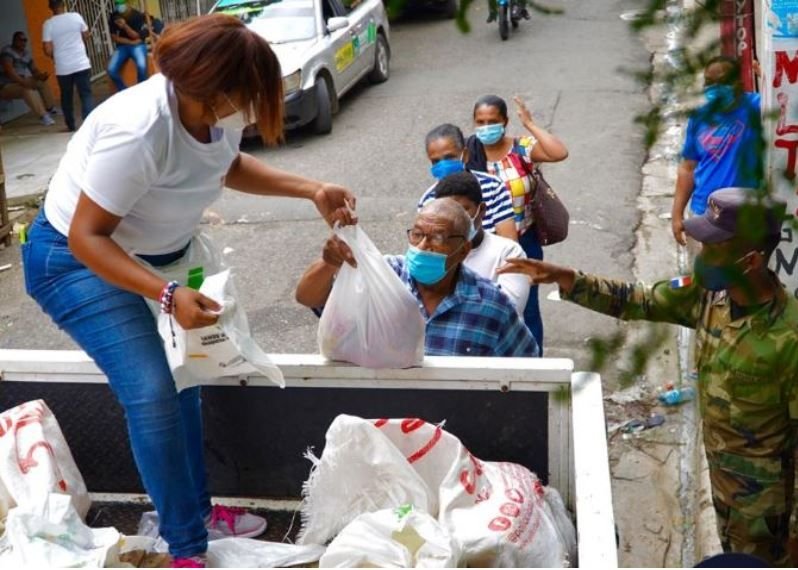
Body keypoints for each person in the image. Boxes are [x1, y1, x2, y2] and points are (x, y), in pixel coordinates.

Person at [22, 14, 355, 568]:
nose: (252, 108)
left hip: (153, 258)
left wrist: (312, 189)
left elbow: (224, 165)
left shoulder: (213, 114)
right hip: (75, 260)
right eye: (247, 94)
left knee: (185, 376)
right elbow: (87, 236)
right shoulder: (138, 130)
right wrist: (166, 293)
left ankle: (194, 512)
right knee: (152, 390)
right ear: (213, 90)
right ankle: (185, 548)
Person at [498, 188, 797, 567]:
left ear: (750, 260)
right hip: (721, 477)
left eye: (713, 248)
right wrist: (568, 278)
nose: (701, 255)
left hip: (764, 504)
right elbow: (641, 299)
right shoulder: (710, 296)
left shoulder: (789, 337)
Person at [296, 198, 540, 357]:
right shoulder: (382, 277)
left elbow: (525, 370)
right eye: (417, 234)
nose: (422, 246)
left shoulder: (491, 305)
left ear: (463, 251)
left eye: (437, 238)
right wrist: (329, 263)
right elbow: (308, 298)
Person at [465, 94, 569, 353]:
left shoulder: (520, 148)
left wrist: (530, 124)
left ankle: (532, 362)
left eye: (492, 121)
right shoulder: (468, 153)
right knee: (481, 305)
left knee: (527, 307)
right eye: (480, 122)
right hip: (481, 245)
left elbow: (559, 152)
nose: (486, 127)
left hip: (523, 242)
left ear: (505, 121)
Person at [671, 56, 762, 247]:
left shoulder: (756, 106)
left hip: (743, 212)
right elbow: (688, 168)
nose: (714, 88)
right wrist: (677, 215)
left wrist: (766, 77)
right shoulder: (699, 116)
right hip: (704, 212)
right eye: (709, 82)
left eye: (722, 82)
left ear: (738, 83)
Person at [432, 171, 529, 314]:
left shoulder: (508, 253)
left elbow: (508, 309)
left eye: (463, 210)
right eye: (446, 211)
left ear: (482, 210)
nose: (455, 219)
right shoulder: (431, 253)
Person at [418, 123, 518, 242]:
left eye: (449, 157)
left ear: (465, 155)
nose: (443, 165)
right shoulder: (428, 202)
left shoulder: (493, 187)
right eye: (436, 161)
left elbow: (508, 241)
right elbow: (430, 246)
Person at [43, 0, 94, 132]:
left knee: (66, 96)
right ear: (64, 5)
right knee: (86, 94)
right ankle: (89, 124)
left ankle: (71, 125)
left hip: (63, 67)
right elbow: (86, 35)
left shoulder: (48, 24)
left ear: (50, 8)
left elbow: (47, 49)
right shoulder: (76, 17)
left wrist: (55, 56)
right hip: (81, 63)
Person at [0, 31, 58, 126]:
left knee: (41, 82)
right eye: (21, 40)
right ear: (14, 41)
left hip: (20, 81)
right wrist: (23, 82)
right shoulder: (7, 51)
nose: (24, 42)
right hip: (6, 85)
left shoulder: (26, 53)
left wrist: (41, 75)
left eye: (25, 40)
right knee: (26, 90)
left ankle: (51, 109)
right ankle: (43, 116)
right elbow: (9, 72)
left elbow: (34, 70)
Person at [107, 0, 149, 91]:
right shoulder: (114, 16)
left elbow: (136, 36)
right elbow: (114, 38)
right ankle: (124, 90)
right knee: (111, 70)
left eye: (121, 3)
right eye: (117, 4)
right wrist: (131, 42)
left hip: (138, 45)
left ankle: (142, 90)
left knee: (142, 66)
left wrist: (125, 26)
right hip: (123, 46)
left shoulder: (136, 15)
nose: (119, 6)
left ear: (127, 3)